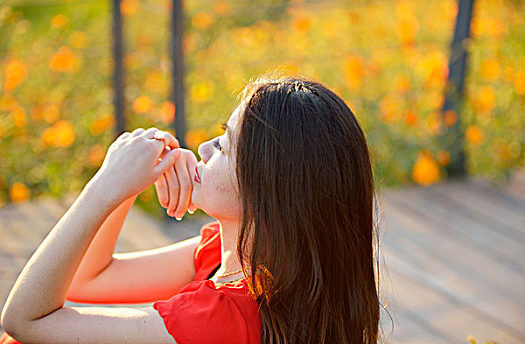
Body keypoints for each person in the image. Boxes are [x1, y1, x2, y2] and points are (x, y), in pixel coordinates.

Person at [0, 72, 382, 343]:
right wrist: (126, 188)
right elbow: (89, 279)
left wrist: (102, 188)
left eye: (225, 147)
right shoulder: (238, 260)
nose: (202, 148)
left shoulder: (220, 319)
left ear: (268, 190)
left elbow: (24, 320)